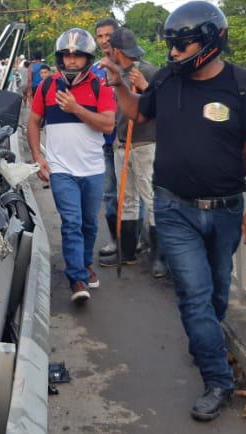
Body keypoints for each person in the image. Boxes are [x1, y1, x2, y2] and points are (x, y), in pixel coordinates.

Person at [101, 1, 246, 421]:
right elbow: (138, 112)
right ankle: (218, 381)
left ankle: (206, 344)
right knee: (193, 295)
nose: (174, 54)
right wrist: (120, 84)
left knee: (216, 288)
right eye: (172, 47)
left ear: (210, 42)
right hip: (174, 208)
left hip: (229, 209)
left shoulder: (242, 85)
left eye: (182, 46)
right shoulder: (170, 80)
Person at [28, 28, 116, 303]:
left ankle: (86, 264)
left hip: (92, 169)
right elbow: (33, 122)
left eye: (77, 56)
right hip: (60, 169)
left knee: (89, 223)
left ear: (87, 58)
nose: (71, 61)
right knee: (72, 222)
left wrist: (76, 108)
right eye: (67, 56)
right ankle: (77, 277)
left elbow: (108, 124)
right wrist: (37, 157)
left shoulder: (99, 86)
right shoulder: (46, 86)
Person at [107, 28, 164, 276]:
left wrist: (145, 87)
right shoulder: (115, 73)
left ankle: (158, 257)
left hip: (145, 144)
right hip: (122, 143)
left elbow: (163, 106)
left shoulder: (147, 70)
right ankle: (128, 251)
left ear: (117, 50)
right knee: (126, 199)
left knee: (150, 199)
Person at [92, 18, 122, 266]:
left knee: (134, 194)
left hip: (130, 140)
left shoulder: (129, 64)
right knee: (110, 193)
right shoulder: (94, 70)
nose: (104, 40)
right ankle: (116, 240)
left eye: (108, 35)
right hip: (104, 141)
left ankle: (135, 241)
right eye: (99, 36)